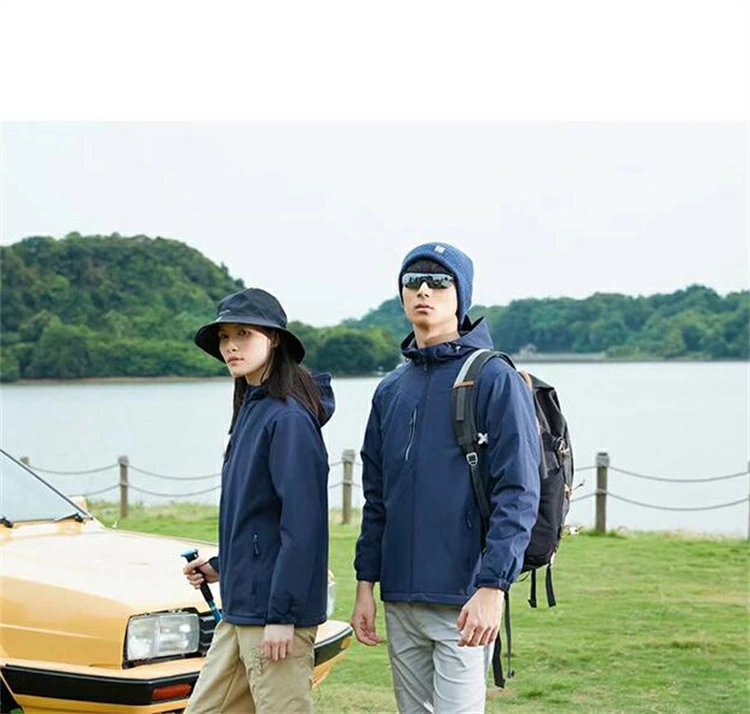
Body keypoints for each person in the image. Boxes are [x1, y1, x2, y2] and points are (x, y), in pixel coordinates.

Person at [352, 243, 540, 714]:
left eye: (439, 282)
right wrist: (365, 585)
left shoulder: (494, 377)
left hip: (465, 596)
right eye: (412, 281)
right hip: (400, 597)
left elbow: (518, 493)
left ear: (461, 295)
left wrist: (493, 587)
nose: (424, 291)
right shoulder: (390, 389)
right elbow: (376, 499)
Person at [183, 287, 334, 714]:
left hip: (274, 614)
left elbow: (302, 528)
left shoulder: (289, 418)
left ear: (275, 340)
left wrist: (283, 616)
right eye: (224, 336)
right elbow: (258, 518)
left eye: (243, 334)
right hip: (241, 609)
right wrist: (221, 566)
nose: (230, 346)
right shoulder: (252, 409)